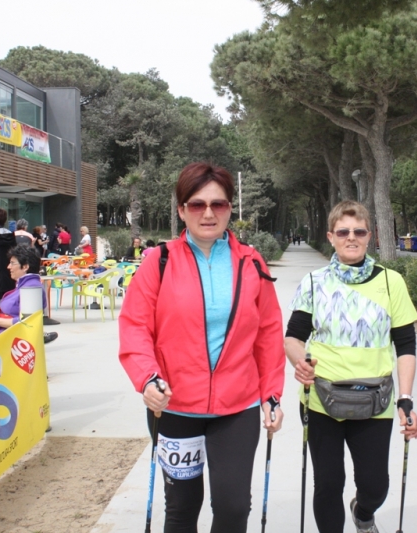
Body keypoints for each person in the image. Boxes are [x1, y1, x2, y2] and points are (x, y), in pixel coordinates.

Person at [119, 162, 285, 533]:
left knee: (233, 506)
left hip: (237, 407)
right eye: (196, 205)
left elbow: (269, 334)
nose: (208, 213)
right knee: (182, 508)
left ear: (230, 209)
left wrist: (271, 394)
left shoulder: (252, 263)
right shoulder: (157, 262)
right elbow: (135, 327)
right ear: (181, 210)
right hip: (175, 406)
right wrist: (147, 379)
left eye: (219, 205)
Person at [285, 200, 417, 533]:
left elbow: (405, 345)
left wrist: (405, 399)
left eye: (358, 231)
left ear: (369, 235)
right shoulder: (314, 283)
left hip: (375, 401)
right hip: (322, 401)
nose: (351, 237)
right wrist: (300, 361)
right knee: (328, 484)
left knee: (375, 486)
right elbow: (293, 337)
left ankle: (363, 512)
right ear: (331, 236)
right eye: (343, 232)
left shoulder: (392, 283)